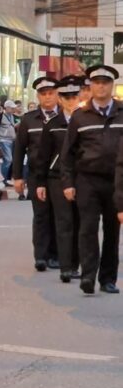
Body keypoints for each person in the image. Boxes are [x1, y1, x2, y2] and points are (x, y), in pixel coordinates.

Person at [63, 65, 121, 295]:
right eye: (96, 82)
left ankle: (108, 279)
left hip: (116, 181)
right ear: (91, 86)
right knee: (87, 228)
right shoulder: (80, 116)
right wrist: (67, 183)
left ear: (111, 86)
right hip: (87, 180)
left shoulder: (122, 111)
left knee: (112, 230)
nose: (101, 86)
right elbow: (67, 153)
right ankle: (88, 275)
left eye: (105, 82)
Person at [36, 76, 83, 283]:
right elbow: (42, 156)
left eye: (74, 96)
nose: (70, 100)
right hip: (56, 179)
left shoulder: (87, 120)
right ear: (60, 99)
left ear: (79, 97)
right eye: (66, 97)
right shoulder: (53, 124)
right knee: (64, 222)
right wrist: (39, 182)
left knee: (81, 223)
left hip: (83, 178)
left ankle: (75, 264)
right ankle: (65, 267)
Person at [13, 76, 60, 271]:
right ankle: (40, 256)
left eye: (51, 93)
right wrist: (17, 177)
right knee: (40, 215)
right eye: (43, 94)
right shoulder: (29, 119)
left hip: (58, 175)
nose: (48, 98)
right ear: (38, 96)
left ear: (57, 94)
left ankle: (55, 254)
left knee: (58, 215)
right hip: (35, 174)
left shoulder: (65, 118)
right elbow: (19, 149)